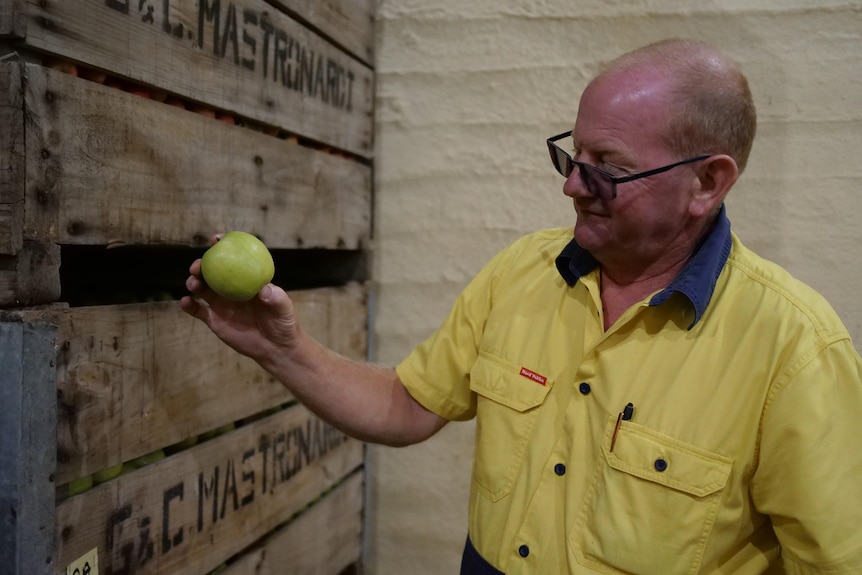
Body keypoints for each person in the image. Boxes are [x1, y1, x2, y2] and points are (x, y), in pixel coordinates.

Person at [182, 38, 862, 574]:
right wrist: (281, 346)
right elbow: (407, 404)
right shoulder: (521, 273)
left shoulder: (794, 349)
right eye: (572, 153)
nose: (572, 184)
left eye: (606, 164)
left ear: (706, 182)